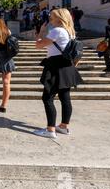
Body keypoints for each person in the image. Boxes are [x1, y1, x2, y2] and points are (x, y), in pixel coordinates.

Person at [33, 8, 84, 139]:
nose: (50, 19)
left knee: (47, 97)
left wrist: (41, 32)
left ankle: (50, 130)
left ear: (60, 19)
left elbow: (38, 45)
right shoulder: (70, 32)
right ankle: (63, 126)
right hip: (66, 66)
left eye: (52, 17)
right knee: (65, 97)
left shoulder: (57, 31)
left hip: (55, 65)